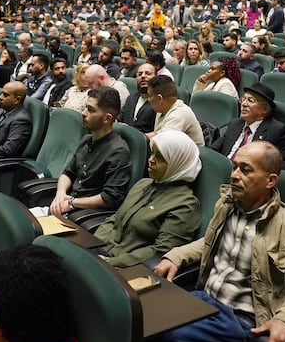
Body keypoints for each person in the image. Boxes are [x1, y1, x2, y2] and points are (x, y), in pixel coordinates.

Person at [148, 141, 285, 342]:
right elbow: (208, 242)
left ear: (270, 180)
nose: (234, 175)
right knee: (141, 316)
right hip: (202, 301)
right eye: (234, 167)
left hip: (240, 321)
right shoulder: (227, 205)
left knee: (157, 335)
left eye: (245, 169)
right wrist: (176, 256)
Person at [94, 130, 201, 268]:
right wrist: (92, 245)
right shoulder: (143, 184)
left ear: (177, 163)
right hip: (101, 252)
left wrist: (111, 262)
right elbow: (115, 219)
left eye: (160, 157)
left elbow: (160, 252)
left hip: (126, 269)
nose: (151, 160)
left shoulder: (186, 205)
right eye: (152, 153)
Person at [33, 87, 131, 218]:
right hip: (66, 208)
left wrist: (73, 203)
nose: (83, 113)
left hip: (84, 217)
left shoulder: (118, 151)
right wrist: (60, 194)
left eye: (90, 110)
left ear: (107, 119)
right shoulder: (86, 140)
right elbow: (68, 173)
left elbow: (110, 198)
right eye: (85, 108)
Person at [211, 82, 285, 170]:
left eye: (250, 100)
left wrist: (259, 169)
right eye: (243, 99)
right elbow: (213, 151)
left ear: (265, 109)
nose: (243, 104)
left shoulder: (277, 130)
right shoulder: (235, 124)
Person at [146, 75, 204, 145]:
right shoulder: (163, 109)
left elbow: (162, 144)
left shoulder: (179, 114)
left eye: (149, 96)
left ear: (159, 99)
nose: (148, 100)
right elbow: (158, 133)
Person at [117, 63, 157, 134]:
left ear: (156, 77)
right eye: (140, 74)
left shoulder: (159, 102)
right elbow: (119, 120)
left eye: (148, 73)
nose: (143, 76)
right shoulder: (131, 99)